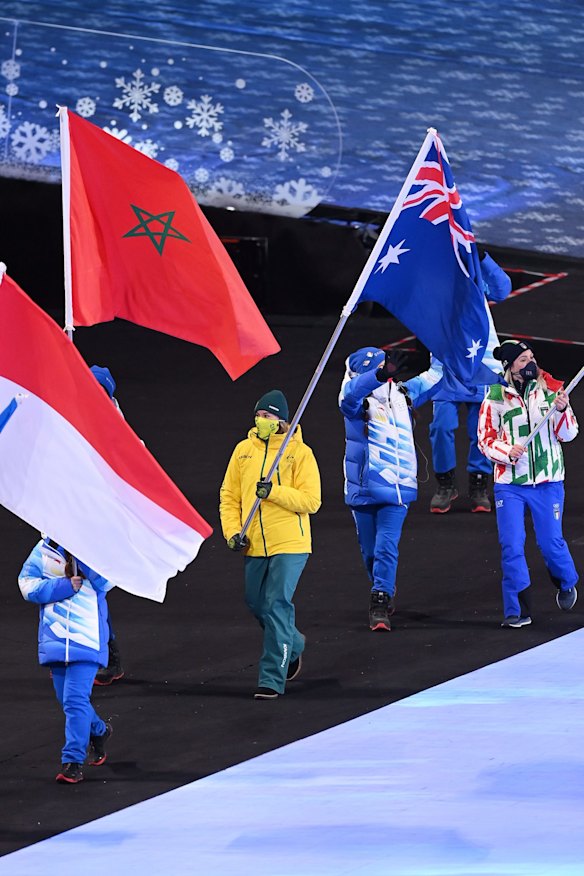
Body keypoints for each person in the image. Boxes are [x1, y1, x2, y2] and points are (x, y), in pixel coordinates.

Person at [220, 390, 321, 700]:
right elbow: (230, 497)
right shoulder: (242, 451)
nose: (261, 421)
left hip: (290, 543)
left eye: (268, 416)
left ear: (282, 421)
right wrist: (232, 532)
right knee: (256, 602)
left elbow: (311, 501)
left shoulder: (299, 453)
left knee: (276, 603)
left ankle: (272, 678)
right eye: (259, 415)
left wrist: (274, 492)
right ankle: (294, 643)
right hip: (254, 544)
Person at [477, 339, 579, 628]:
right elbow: (485, 441)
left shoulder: (551, 389)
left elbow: (569, 434)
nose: (530, 363)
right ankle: (517, 610)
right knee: (511, 545)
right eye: (523, 360)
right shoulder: (495, 397)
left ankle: (566, 581)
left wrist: (561, 410)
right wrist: (506, 452)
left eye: (531, 357)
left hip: (548, 481)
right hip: (510, 484)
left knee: (550, 542)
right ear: (511, 367)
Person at [404, 251, 512, 514]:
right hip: (448, 371)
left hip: (485, 370)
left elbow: (502, 289)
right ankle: (446, 485)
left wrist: (485, 259)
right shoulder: (433, 291)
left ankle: (479, 486)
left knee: (483, 430)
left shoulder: (475, 284)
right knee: (440, 427)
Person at [18, 537, 114, 783]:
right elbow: (26, 585)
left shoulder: (97, 546)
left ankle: (72, 761)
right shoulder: (44, 549)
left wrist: (84, 557)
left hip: (87, 639)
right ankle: (99, 731)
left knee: (74, 700)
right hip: (56, 641)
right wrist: (63, 586)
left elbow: (107, 581)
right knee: (68, 701)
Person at [339, 347, 419, 631]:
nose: (388, 373)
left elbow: (435, 380)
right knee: (370, 552)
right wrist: (378, 375)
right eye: (381, 369)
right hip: (362, 489)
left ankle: (380, 599)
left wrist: (446, 355)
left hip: (396, 487)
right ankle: (383, 584)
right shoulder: (353, 401)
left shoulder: (402, 395)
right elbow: (350, 395)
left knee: (386, 546)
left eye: (387, 368)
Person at [89, 365, 125, 686]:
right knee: (87, 586)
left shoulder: (118, 435)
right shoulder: (81, 421)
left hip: (103, 522)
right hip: (80, 516)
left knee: (92, 586)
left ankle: (101, 656)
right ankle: (107, 652)